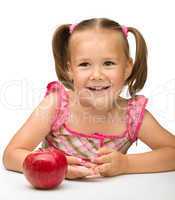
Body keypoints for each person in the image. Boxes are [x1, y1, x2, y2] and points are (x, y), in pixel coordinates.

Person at [2, 17, 175, 180]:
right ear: (70, 69)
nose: (97, 75)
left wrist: (127, 164)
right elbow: (11, 155)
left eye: (108, 63)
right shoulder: (56, 106)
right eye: (84, 64)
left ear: (127, 67)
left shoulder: (133, 116)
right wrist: (56, 167)